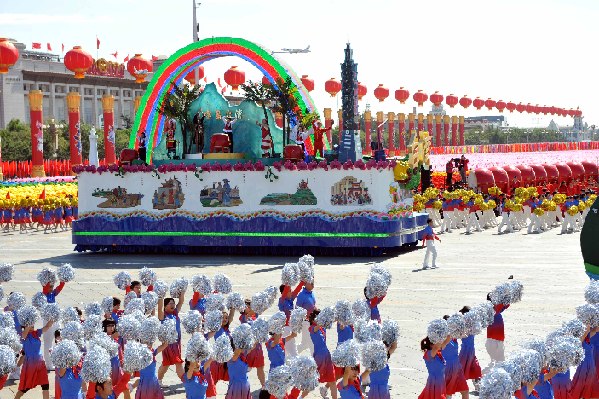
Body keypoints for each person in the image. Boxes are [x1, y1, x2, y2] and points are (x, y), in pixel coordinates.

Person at [14, 318, 55, 399]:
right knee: (25, 387)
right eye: (30, 324)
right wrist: (28, 323)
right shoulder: (23, 335)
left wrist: (52, 318)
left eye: (32, 324)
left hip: (40, 363)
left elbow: (47, 326)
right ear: (25, 326)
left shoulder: (36, 333)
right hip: (30, 364)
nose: (32, 326)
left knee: (45, 384)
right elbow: (24, 333)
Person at [308, 309, 337, 399]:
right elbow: (319, 325)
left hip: (326, 354)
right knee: (313, 380)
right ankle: (300, 395)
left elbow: (330, 321)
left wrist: (335, 316)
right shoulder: (312, 328)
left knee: (332, 379)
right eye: (318, 317)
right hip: (319, 356)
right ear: (313, 319)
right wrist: (323, 318)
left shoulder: (322, 328)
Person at [157, 293, 185, 386]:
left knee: (166, 364)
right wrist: (160, 297)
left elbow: (181, 302)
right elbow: (159, 308)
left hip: (177, 343)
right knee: (178, 362)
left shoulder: (175, 313)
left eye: (173, 303)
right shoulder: (163, 316)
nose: (173, 305)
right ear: (165, 306)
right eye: (170, 303)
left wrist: (182, 291)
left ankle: (158, 381)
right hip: (168, 344)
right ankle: (186, 381)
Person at [41, 277, 67, 370]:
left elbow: (59, 288)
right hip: (47, 319)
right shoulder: (44, 294)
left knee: (59, 336)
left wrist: (63, 281)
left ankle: (58, 359)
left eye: (52, 286)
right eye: (50, 287)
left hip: (55, 319)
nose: (51, 288)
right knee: (48, 342)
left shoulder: (52, 293)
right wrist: (48, 278)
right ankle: (48, 364)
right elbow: (45, 287)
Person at [239, 300, 265, 390]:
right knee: (246, 369)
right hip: (249, 348)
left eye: (250, 306)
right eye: (247, 307)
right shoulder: (242, 318)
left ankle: (264, 387)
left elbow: (260, 309)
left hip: (258, 347)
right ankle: (241, 387)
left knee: (260, 367)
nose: (249, 308)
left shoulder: (255, 316)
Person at [483, 292, 510, 374]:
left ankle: (480, 375)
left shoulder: (494, 309)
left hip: (492, 341)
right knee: (500, 363)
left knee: (495, 363)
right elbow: (506, 303)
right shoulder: (493, 309)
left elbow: (506, 304)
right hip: (495, 342)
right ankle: (479, 375)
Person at [296, 280, 317, 354]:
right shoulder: (301, 295)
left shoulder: (311, 293)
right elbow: (297, 309)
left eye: (313, 282)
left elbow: (313, 305)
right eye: (310, 282)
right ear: (305, 284)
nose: (312, 283)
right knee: (311, 343)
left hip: (312, 321)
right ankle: (315, 361)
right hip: (306, 323)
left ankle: (291, 355)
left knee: (305, 344)